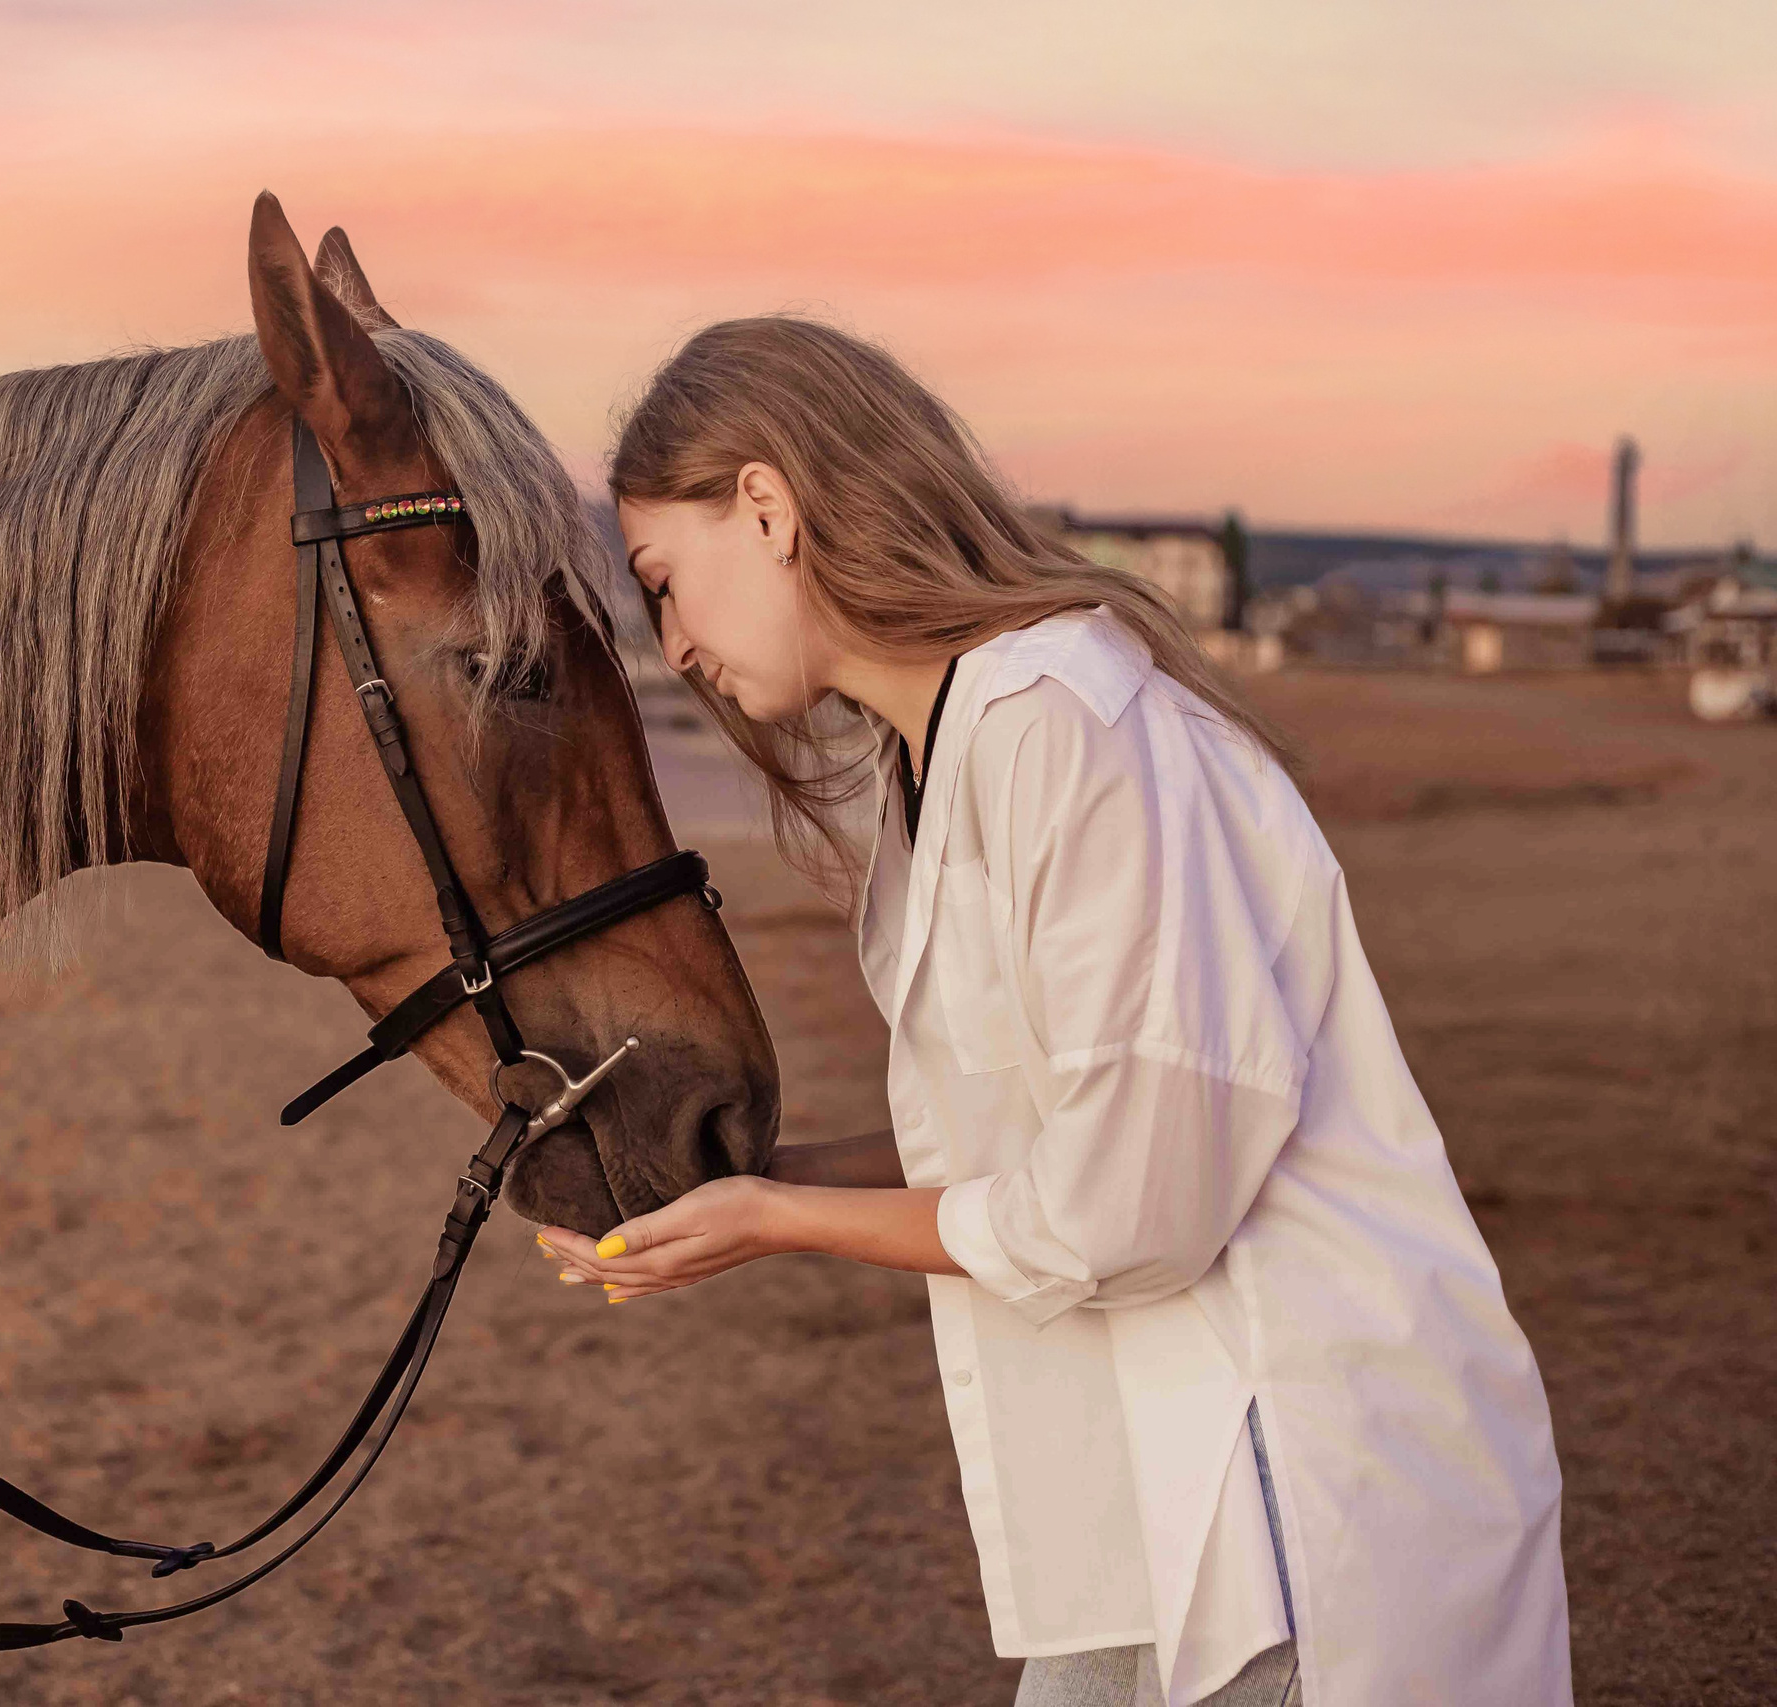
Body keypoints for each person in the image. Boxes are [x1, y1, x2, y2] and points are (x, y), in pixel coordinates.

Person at [539, 318, 1570, 1706]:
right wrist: (748, 1185)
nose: (671, 641)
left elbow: (1132, 1204)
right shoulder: (948, 753)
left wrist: (781, 1221)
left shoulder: (1060, 723)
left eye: (663, 581)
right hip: (1149, 1500)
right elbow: (1016, 1138)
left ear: (769, 508)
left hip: (1289, 1483)